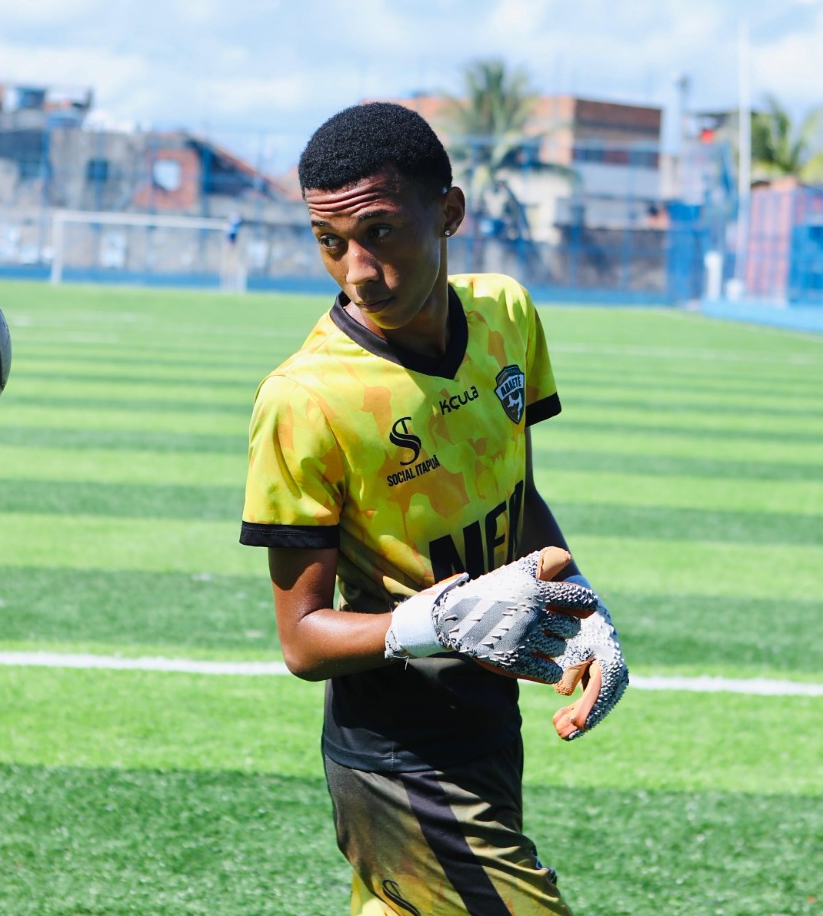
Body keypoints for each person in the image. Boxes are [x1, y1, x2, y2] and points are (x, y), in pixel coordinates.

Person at [240, 102, 628, 915]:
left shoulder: (506, 317)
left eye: (379, 232)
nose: (355, 268)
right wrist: (439, 621)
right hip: (397, 758)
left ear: (448, 213)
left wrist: (584, 611)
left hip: (491, 722)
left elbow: (515, 497)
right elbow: (303, 640)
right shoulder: (303, 399)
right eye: (329, 242)